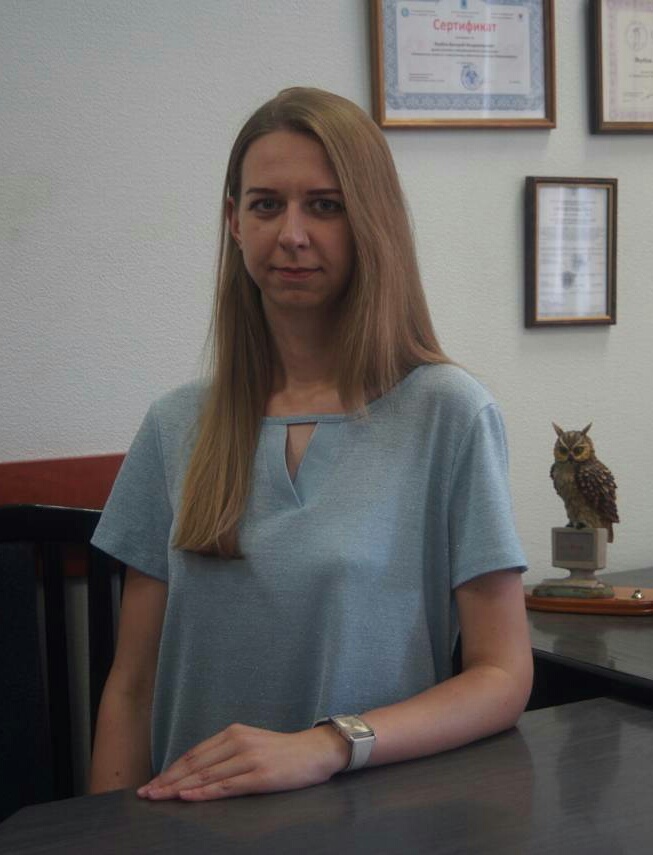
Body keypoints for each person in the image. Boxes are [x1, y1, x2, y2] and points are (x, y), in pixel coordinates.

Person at [89, 87, 533, 802]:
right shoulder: (175, 425)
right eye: (266, 205)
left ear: (370, 220)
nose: (292, 234)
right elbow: (131, 687)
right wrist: (109, 830)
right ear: (234, 222)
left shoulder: (449, 413)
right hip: (190, 827)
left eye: (324, 206)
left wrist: (328, 745)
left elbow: (501, 676)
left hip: (373, 822)